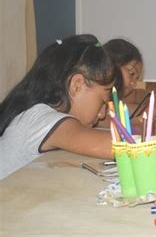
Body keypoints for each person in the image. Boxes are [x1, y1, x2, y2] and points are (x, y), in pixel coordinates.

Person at [0, 34, 118, 180]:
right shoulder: (45, 119)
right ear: (77, 85)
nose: (102, 114)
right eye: (103, 102)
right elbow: (114, 146)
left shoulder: (38, 113)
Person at [102, 38, 156, 120]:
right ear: (111, 66)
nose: (134, 84)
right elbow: (113, 114)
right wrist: (153, 110)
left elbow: (138, 94)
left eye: (137, 78)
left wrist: (155, 99)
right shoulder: (100, 95)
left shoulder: (120, 92)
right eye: (131, 73)